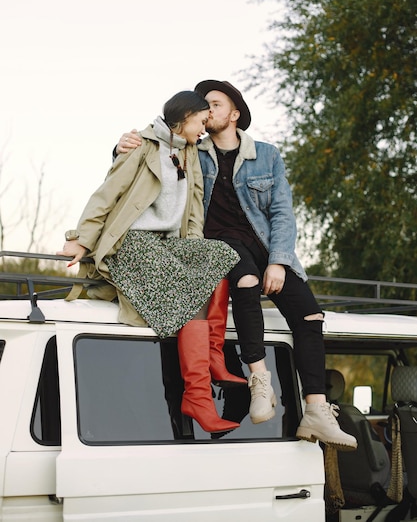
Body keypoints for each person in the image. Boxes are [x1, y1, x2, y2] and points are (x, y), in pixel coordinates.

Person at [115, 80, 357, 450]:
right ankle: (260, 381)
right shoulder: (193, 148)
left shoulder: (267, 155)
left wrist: (278, 262)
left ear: (235, 113)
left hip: (264, 246)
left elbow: (281, 214)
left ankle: (316, 410)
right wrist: (118, 146)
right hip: (221, 245)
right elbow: (152, 157)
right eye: (204, 107)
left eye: (215, 104)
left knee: (310, 316)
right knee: (244, 280)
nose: (207, 111)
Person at [57, 90, 246, 435]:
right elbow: (107, 193)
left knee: (219, 259)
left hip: (169, 244)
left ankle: (213, 355)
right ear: (186, 116)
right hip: (132, 241)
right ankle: (198, 397)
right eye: (202, 121)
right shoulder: (142, 147)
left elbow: (193, 211)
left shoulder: (189, 153)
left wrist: (195, 251)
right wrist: (79, 238)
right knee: (187, 294)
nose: (204, 129)